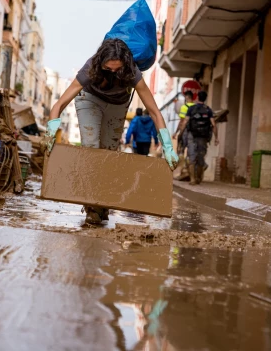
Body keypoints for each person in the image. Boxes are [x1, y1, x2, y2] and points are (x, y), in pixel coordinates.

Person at [45, 38, 179, 224]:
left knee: (108, 155)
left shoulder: (132, 71)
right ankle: (92, 208)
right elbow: (60, 103)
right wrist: (51, 131)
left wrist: (167, 147)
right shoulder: (90, 68)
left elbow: (155, 112)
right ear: (101, 63)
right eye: (108, 70)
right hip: (89, 100)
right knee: (91, 149)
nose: (113, 74)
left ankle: (103, 204)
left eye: (118, 70)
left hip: (117, 104)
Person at [174, 90, 218, 185]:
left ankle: (193, 179)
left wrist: (181, 133)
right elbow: (213, 125)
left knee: (192, 156)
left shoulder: (191, 109)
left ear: (197, 98)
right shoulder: (208, 110)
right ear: (205, 99)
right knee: (201, 156)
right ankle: (199, 178)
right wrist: (216, 138)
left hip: (192, 136)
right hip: (203, 137)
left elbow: (185, 122)